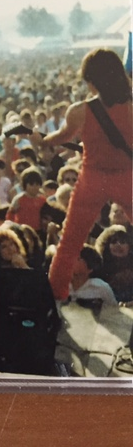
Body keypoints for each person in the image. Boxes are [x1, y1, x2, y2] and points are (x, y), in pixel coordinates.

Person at [43, 48, 132, 301]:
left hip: (92, 180)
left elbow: (59, 138)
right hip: (128, 178)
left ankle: (56, 299)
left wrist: (39, 139)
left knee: (69, 245)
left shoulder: (79, 111)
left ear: (92, 81)